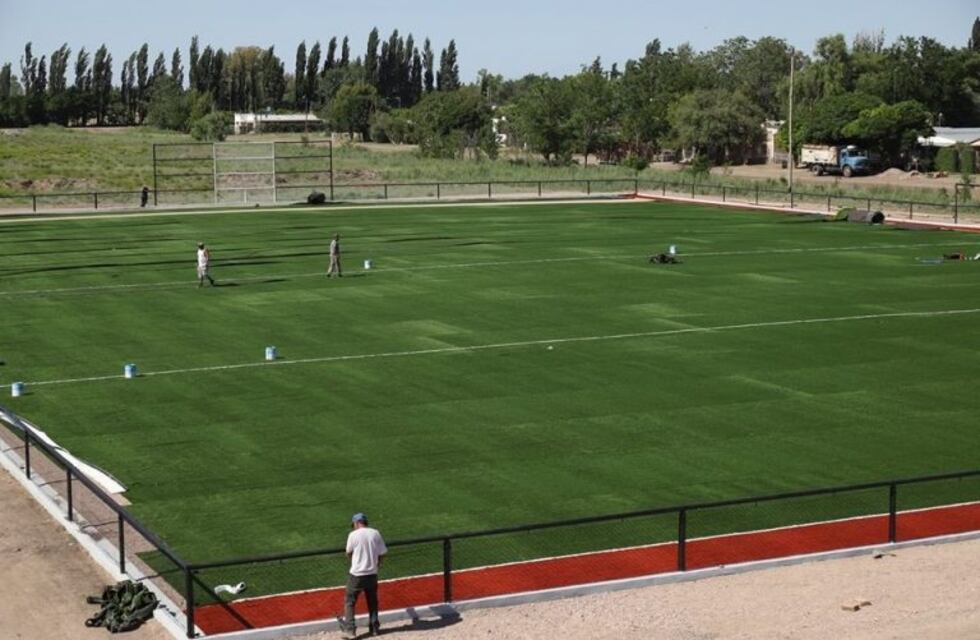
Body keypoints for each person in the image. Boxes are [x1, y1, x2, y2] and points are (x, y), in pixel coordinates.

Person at [337, 513, 387, 638]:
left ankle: (350, 630)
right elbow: (383, 553)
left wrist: (355, 562)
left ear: (356, 522)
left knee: (350, 601)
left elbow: (348, 552)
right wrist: (377, 564)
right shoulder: (375, 533)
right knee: (372, 601)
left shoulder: (353, 535)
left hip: (357, 574)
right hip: (372, 574)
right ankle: (374, 627)